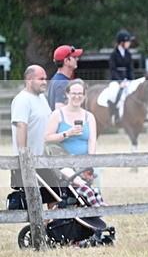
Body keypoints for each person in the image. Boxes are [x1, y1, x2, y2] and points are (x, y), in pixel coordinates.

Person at [43, 79, 106, 207]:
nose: (76, 97)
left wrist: (90, 160)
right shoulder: (57, 115)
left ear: (84, 96)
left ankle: (95, 219)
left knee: (93, 191)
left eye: (80, 94)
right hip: (65, 165)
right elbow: (47, 138)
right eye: (73, 93)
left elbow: (92, 140)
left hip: (85, 163)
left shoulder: (89, 116)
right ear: (67, 94)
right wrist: (67, 133)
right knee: (76, 196)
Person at [10, 65, 62, 203]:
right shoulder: (22, 100)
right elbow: (21, 126)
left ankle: (50, 224)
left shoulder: (42, 99)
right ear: (29, 79)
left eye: (45, 78)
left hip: (44, 158)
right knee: (32, 201)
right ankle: (39, 225)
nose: (45, 82)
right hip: (29, 159)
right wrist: (24, 155)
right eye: (41, 79)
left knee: (55, 196)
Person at [108, 29, 135, 125]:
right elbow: (113, 70)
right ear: (122, 42)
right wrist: (120, 81)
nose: (129, 44)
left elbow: (130, 69)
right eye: (128, 42)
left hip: (127, 80)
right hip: (116, 80)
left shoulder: (128, 54)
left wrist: (131, 80)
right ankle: (115, 115)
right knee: (114, 94)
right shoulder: (114, 55)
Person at [47, 45, 83, 110]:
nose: (77, 59)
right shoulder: (63, 83)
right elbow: (60, 111)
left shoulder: (56, 79)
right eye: (74, 57)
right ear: (66, 61)